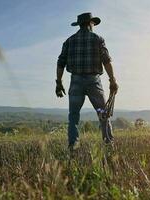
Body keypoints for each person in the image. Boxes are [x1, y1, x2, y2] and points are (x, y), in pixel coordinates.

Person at [55, 12, 119, 150]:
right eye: (93, 24)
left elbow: (60, 63)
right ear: (90, 24)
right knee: (102, 113)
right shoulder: (98, 39)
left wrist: (59, 83)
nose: (93, 26)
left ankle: (73, 146)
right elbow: (107, 61)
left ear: (79, 25)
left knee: (73, 116)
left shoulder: (69, 41)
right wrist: (112, 80)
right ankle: (108, 144)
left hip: (76, 82)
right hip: (94, 83)